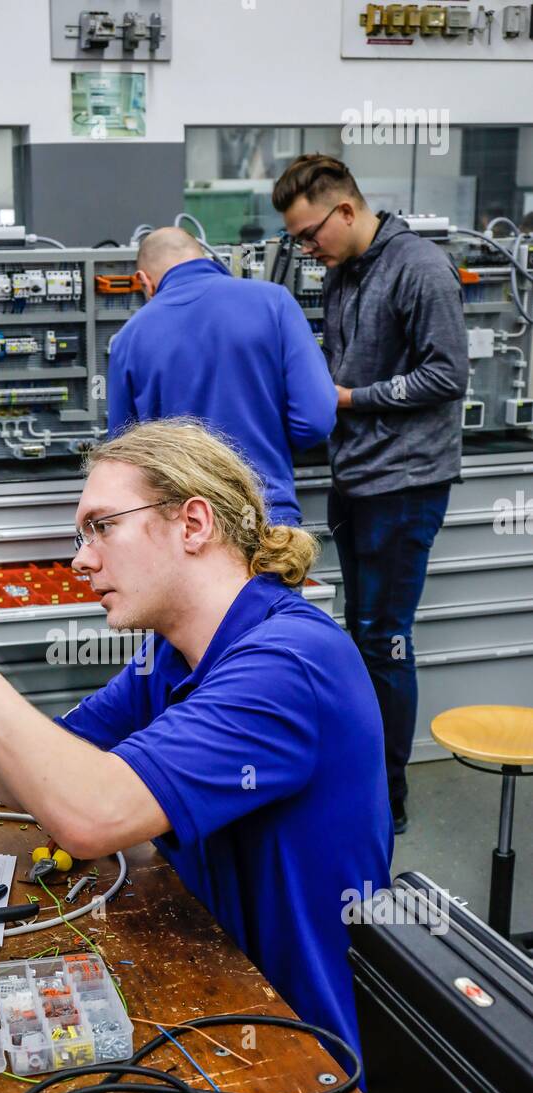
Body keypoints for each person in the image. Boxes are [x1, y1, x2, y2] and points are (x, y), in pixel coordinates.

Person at [0, 420, 392, 1069]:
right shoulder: (172, 655)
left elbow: (89, 818)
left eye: (102, 526)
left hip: (297, 1053)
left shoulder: (288, 666)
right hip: (218, 989)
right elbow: (29, 784)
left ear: (194, 524)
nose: (81, 559)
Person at [272, 155, 469, 834]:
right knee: (358, 635)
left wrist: (350, 398)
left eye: (309, 233)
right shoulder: (343, 274)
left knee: (384, 639)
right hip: (356, 476)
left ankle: (388, 802)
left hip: (405, 481)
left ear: (347, 211)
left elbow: (447, 374)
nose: (306, 248)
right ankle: (364, 782)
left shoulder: (419, 267)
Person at [107, 227, 337, 525]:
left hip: (182, 524)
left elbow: (123, 454)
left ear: (143, 281)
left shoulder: (129, 338)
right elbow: (316, 419)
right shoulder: (273, 303)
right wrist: (268, 440)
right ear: (204, 256)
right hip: (262, 513)